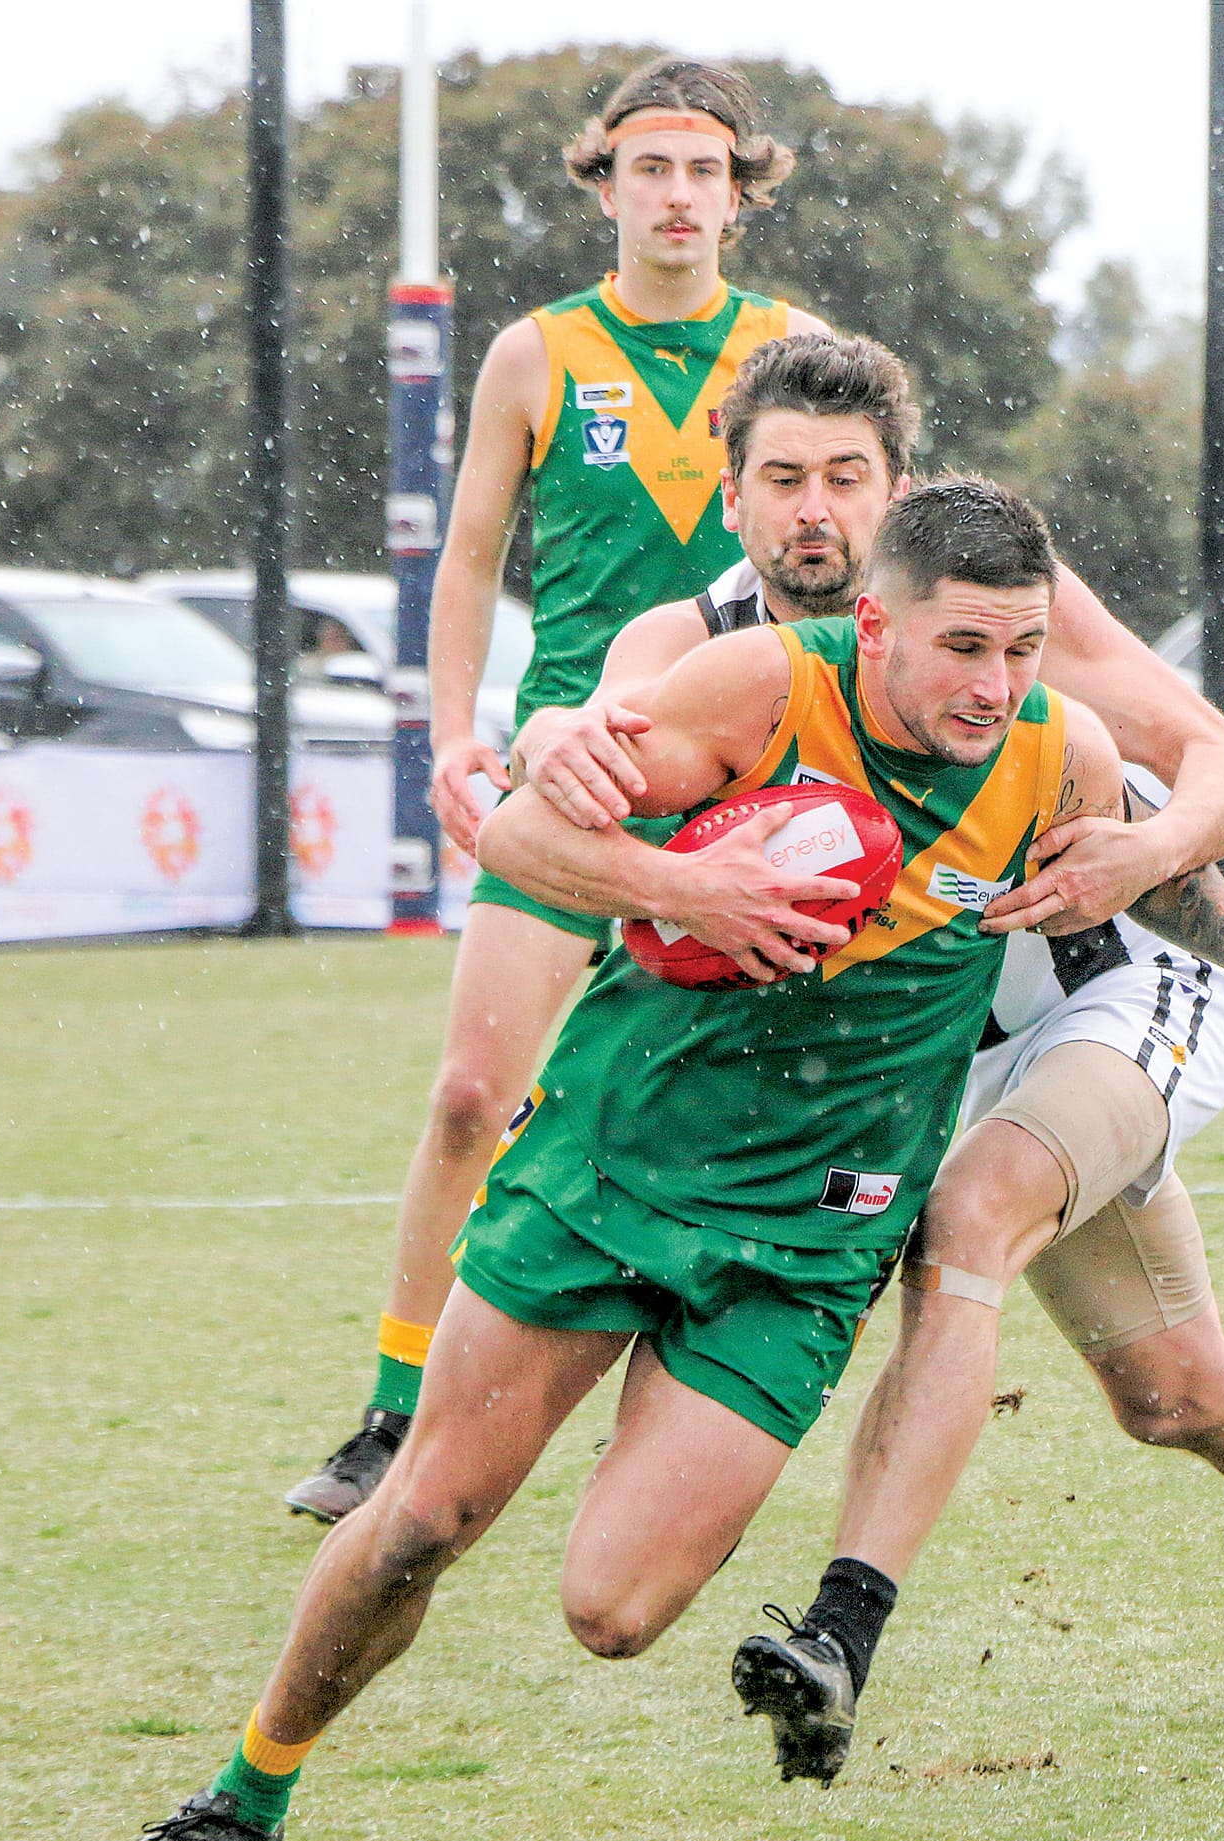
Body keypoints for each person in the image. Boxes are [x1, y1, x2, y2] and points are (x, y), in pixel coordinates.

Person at [514, 334, 1224, 1786]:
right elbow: (581, 741)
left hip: (1123, 987)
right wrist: (550, 738)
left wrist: (1156, 854)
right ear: (732, 498)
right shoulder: (698, 644)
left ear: (900, 491)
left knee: (968, 1222)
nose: (820, 510)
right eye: (786, 480)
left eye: (851, 479)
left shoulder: (988, 608)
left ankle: (841, 1632)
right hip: (961, 1041)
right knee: (1180, 1392)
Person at [97, 480, 1121, 1841]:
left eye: (1021, 649)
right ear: (877, 619)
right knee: (425, 1515)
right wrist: (681, 888)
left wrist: (1194, 866)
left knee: (613, 1611)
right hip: (614, 1167)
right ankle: (242, 1792)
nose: (996, 684)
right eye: (964, 647)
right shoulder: (761, 688)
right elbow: (519, 834)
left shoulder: (1064, 759)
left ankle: (655, 1429)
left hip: (810, 1236)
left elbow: (1171, 844)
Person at [285, 56, 822, 1524]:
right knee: (473, 1094)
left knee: (708, 1109)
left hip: (736, 781)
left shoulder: (791, 349)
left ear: (740, 191)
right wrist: (451, 733)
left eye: (704, 169)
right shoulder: (537, 352)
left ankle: (673, 1415)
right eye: (649, 166)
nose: (677, 193)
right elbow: (467, 560)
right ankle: (395, 1412)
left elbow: (849, 554)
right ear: (605, 182)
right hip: (566, 777)